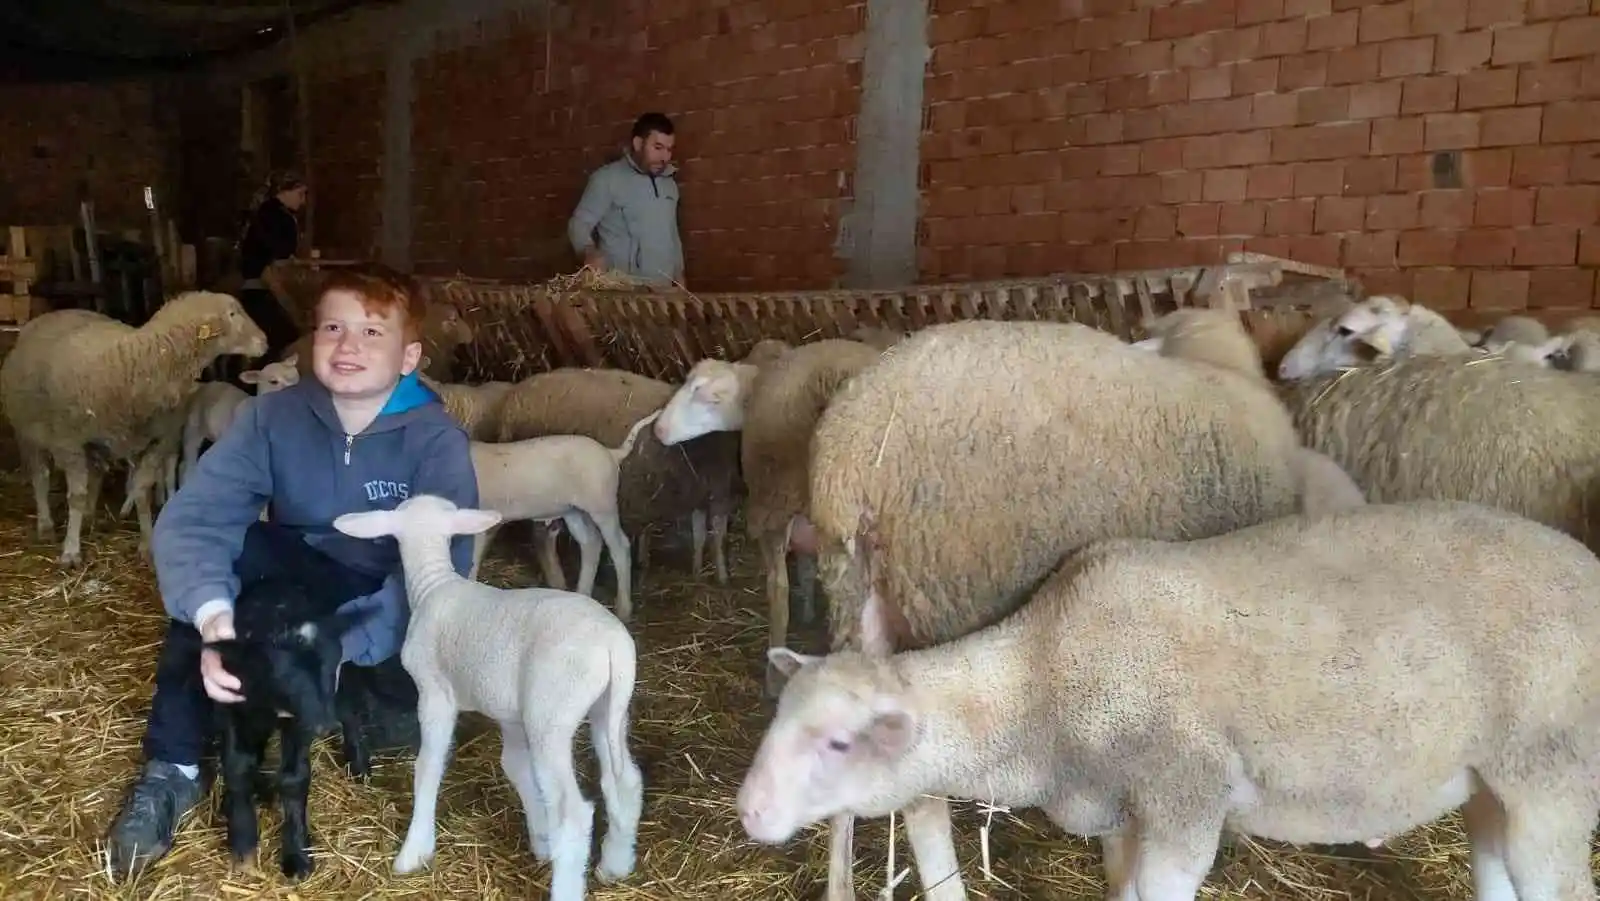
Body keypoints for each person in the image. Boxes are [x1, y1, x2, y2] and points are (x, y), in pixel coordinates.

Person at [104, 262, 480, 879]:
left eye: (371, 332)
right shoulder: (274, 416)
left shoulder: (436, 441)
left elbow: (447, 571)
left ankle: (363, 696)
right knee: (227, 567)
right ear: (312, 338)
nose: (347, 345)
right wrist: (213, 616)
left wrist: (340, 646)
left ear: (409, 356)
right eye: (333, 326)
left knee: (397, 722)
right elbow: (198, 518)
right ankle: (173, 770)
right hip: (299, 563)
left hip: (383, 592)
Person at [567, 112, 686, 286]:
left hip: (663, 290)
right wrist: (588, 251)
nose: (665, 157)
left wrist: (679, 274)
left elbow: (672, 234)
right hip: (623, 290)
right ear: (638, 144)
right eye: (658, 148)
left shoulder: (669, 185)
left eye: (669, 149)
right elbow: (579, 223)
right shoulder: (607, 179)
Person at [233, 171, 309, 373]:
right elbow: (275, 258)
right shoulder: (274, 217)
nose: (303, 201)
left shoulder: (270, 214)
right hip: (262, 288)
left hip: (263, 286)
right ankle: (259, 380)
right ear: (285, 191)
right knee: (279, 337)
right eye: (300, 194)